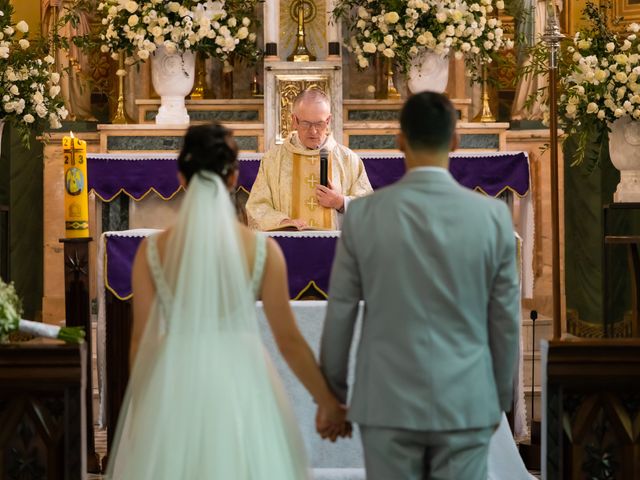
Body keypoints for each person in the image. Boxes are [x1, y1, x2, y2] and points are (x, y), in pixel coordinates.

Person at [106, 123, 349, 479]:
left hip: (173, 387)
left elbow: (141, 341)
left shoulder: (151, 252)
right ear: (234, 177)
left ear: (182, 178)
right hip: (243, 383)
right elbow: (289, 341)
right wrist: (328, 403)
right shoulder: (264, 251)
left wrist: (143, 410)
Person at [318, 92, 521, 479]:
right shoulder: (492, 217)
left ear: (400, 140)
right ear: (456, 141)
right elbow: (504, 320)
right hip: (467, 399)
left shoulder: (364, 216)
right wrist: (493, 398)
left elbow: (341, 311)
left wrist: (333, 397)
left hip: (387, 400)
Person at [246, 89, 372, 230]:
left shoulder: (348, 160)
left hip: (335, 249)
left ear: (328, 120)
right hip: (288, 247)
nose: (313, 131)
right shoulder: (273, 160)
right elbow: (257, 206)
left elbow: (370, 209)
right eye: (306, 124)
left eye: (319, 124)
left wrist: (340, 202)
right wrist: (283, 223)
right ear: (294, 120)